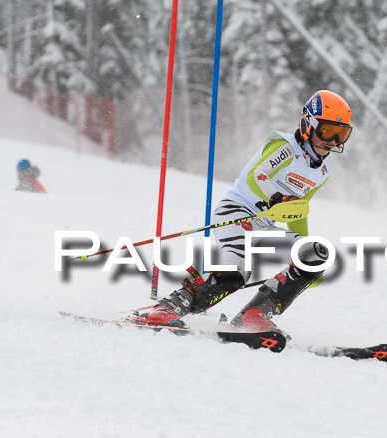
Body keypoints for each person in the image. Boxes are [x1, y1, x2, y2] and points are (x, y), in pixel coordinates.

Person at [133, 90, 353, 331]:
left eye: (341, 134)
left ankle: (255, 315)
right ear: (308, 124)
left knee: (318, 253)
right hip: (236, 214)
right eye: (327, 131)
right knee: (234, 275)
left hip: (264, 227)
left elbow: (299, 210)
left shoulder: (322, 171)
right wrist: (276, 197)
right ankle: (168, 307)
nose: (333, 141)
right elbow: (254, 176)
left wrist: (307, 262)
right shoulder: (286, 148)